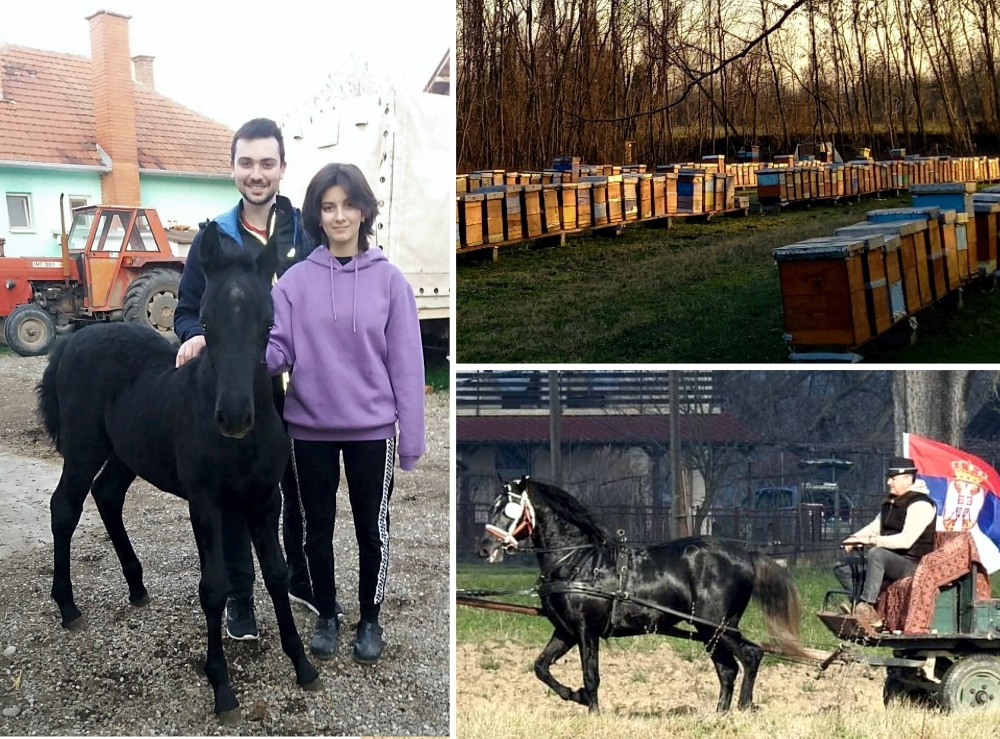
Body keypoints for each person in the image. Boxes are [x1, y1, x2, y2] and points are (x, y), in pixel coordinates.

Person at [173, 117, 338, 640]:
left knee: (298, 491)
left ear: (283, 169)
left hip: (303, 390)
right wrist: (194, 336)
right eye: (247, 163)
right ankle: (241, 597)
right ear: (233, 169)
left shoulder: (308, 235)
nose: (257, 173)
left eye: (267, 163)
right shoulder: (212, 237)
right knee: (240, 496)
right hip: (240, 392)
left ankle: (299, 580)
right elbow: (186, 309)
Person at [265, 162, 426, 664]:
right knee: (316, 528)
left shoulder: (390, 282)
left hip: (372, 431)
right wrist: (221, 342)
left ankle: (370, 618)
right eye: (328, 207)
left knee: (370, 529)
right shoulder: (292, 282)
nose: (339, 216)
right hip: (308, 429)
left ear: (363, 210)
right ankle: (328, 614)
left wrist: (413, 434)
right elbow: (276, 352)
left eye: (348, 205)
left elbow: (406, 362)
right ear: (317, 214)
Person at [834, 456, 937, 632]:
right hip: (891, 560)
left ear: (907, 478)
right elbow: (874, 528)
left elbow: (906, 540)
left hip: (912, 563)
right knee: (841, 567)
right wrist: (853, 538)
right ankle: (865, 609)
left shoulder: (921, 504)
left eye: (893, 478)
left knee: (877, 553)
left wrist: (870, 541)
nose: (889, 482)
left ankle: (866, 605)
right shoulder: (891, 503)